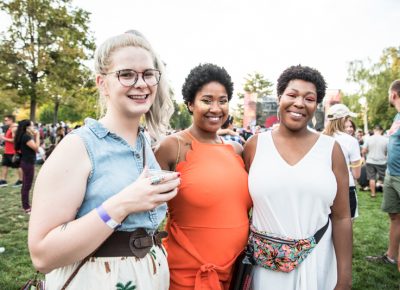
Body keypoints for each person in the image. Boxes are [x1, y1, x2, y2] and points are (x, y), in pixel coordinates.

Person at [28, 32, 180, 289]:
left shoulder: (144, 143)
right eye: (127, 74)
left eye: (148, 74)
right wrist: (122, 204)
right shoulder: (79, 146)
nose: (141, 83)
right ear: (102, 83)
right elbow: (42, 255)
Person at [244, 65, 352, 290]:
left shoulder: (331, 150)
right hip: (266, 270)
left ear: (316, 105)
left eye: (309, 98)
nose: (300, 103)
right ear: (279, 97)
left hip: (318, 262)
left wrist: (344, 279)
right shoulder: (255, 146)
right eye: (292, 95)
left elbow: (342, 217)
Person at [155, 63, 252, 290]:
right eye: (206, 100)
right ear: (190, 103)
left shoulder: (237, 150)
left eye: (223, 100)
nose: (216, 108)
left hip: (235, 271)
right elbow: (147, 213)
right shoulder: (172, 147)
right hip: (187, 274)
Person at [366, 80, 400, 267]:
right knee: (394, 216)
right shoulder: (396, 117)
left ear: (393, 94)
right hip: (391, 174)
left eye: (388, 93)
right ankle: (391, 256)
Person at [324, 104, 362, 218]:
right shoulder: (351, 141)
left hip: (324, 188)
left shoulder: (319, 138)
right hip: (346, 188)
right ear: (344, 120)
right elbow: (357, 174)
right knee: (346, 227)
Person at [14, 120, 41, 213]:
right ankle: (26, 207)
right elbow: (37, 148)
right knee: (27, 185)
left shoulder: (25, 136)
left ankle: (25, 205)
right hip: (28, 163)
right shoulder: (26, 137)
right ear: (27, 127)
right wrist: (37, 136)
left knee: (26, 184)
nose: (34, 128)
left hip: (26, 162)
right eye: (32, 126)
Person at [362, 124, 388, 197]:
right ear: (381, 130)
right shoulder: (386, 139)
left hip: (370, 161)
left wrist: (365, 156)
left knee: (371, 178)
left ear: (374, 130)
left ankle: (373, 194)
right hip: (382, 161)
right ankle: (386, 194)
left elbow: (363, 150)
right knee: (384, 178)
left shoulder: (368, 139)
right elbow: (387, 151)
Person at [0, 115, 23, 187]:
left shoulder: (14, 128)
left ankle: (21, 181)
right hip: (7, 151)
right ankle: (3, 181)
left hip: (13, 151)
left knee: (18, 166)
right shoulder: (10, 128)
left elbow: (15, 140)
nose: (5, 121)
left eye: (6, 120)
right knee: (4, 165)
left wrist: (4, 138)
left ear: (11, 120)